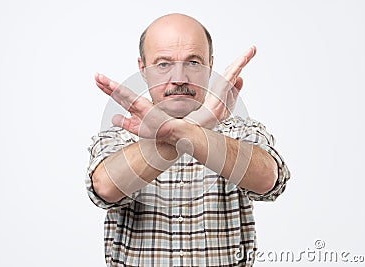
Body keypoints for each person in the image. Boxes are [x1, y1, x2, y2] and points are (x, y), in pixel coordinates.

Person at [86, 13, 290, 267]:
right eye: (163, 64)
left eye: (193, 62)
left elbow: (268, 180)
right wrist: (197, 124)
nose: (179, 78)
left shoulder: (243, 132)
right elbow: (105, 188)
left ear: (210, 66)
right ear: (143, 69)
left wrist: (177, 131)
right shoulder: (118, 136)